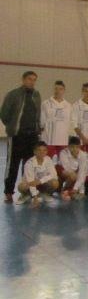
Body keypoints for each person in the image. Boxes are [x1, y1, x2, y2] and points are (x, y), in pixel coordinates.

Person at [1, 71, 41, 203]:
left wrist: (37, 129)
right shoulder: (13, 95)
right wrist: (13, 127)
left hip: (32, 136)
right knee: (12, 165)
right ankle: (8, 192)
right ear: (23, 79)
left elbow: (38, 114)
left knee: (29, 166)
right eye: (29, 79)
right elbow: (4, 115)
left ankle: (25, 191)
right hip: (17, 136)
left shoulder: (36, 95)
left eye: (34, 80)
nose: (32, 82)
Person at [15, 141, 59, 206]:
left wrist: (40, 181)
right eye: (39, 150)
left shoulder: (48, 160)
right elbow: (31, 182)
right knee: (21, 186)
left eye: (44, 150)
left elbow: (53, 174)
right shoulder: (29, 163)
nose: (42, 152)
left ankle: (44, 194)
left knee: (55, 182)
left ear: (47, 151)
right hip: (30, 185)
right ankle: (26, 195)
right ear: (34, 152)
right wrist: (35, 198)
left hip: (41, 184)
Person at [40, 80, 72, 158]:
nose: (57, 91)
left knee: (62, 161)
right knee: (48, 160)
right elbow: (42, 122)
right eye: (56, 89)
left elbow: (70, 123)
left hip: (63, 140)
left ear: (64, 90)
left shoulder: (68, 106)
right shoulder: (46, 104)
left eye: (60, 89)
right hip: (49, 140)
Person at [55, 136, 88, 201]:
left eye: (77, 147)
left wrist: (79, 190)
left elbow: (82, 173)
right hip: (60, 171)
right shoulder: (63, 152)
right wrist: (74, 175)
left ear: (80, 147)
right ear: (68, 146)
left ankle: (66, 189)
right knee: (72, 175)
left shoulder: (83, 155)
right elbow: (66, 167)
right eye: (72, 147)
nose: (74, 149)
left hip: (73, 174)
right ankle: (61, 187)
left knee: (75, 190)